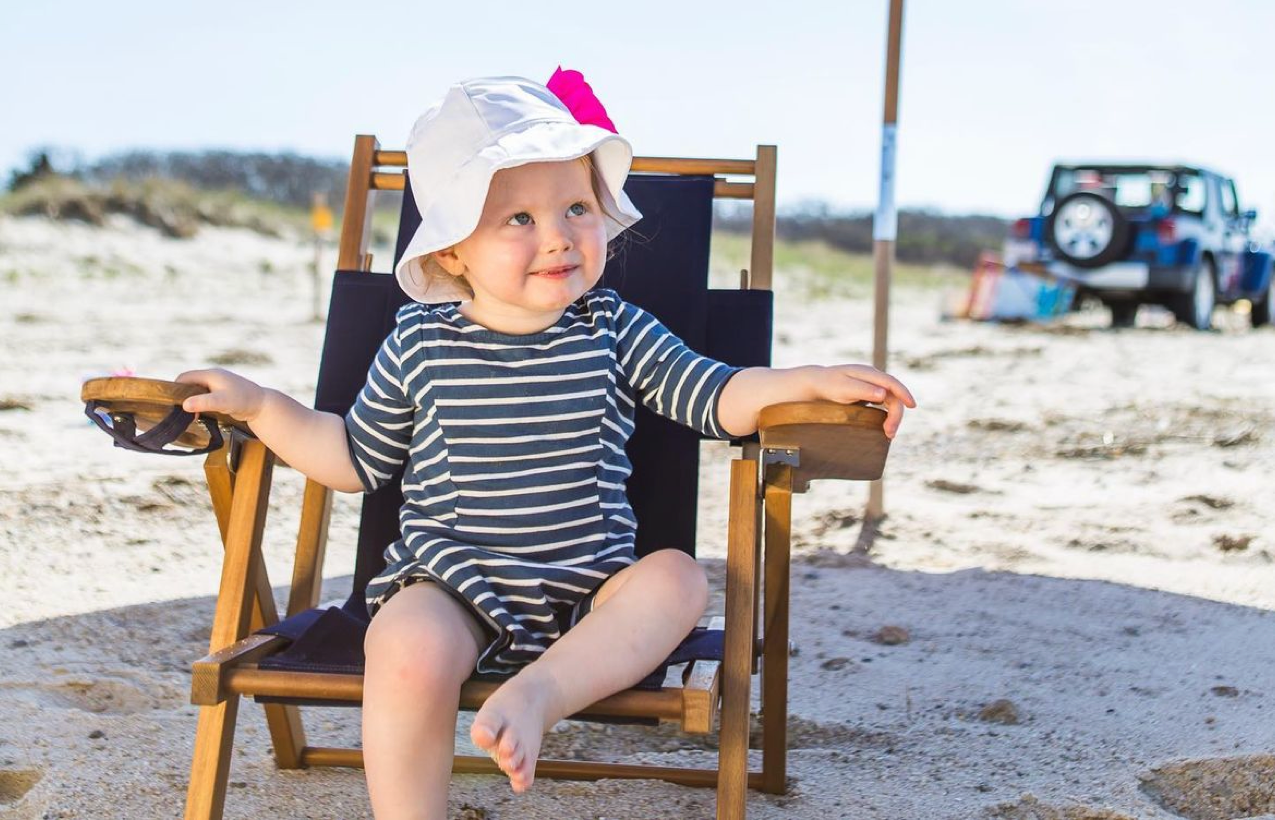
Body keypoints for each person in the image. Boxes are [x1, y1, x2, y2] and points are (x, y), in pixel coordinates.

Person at [178, 74, 915, 820]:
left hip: (591, 600)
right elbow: (354, 460)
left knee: (678, 579)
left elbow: (714, 396)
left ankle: (538, 692)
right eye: (519, 218)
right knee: (403, 644)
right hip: (452, 589)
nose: (559, 235)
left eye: (576, 208)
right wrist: (264, 407)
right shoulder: (419, 343)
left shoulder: (611, 326)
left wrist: (806, 381)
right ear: (453, 253)